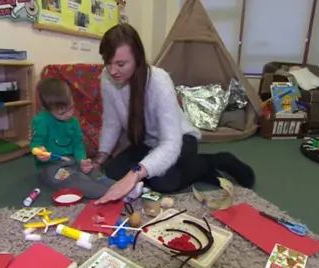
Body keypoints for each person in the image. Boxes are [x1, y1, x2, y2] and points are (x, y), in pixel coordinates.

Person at [93, 23, 255, 205]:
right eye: (108, 63)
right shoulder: (106, 79)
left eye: (120, 64)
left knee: (163, 181)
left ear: (138, 58)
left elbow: (170, 143)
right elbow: (111, 122)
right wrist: (100, 158)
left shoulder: (159, 81)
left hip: (180, 139)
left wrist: (135, 173)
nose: (112, 70)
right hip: (147, 142)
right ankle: (155, 168)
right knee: (112, 171)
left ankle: (211, 162)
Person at [30, 77, 143, 200]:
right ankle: (117, 194)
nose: (69, 114)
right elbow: (36, 144)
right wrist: (39, 151)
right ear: (47, 110)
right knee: (76, 180)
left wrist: (82, 160)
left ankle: (126, 188)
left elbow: (78, 144)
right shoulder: (41, 121)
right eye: (62, 113)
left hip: (73, 161)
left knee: (95, 173)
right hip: (52, 166)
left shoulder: (73, 122)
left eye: (71, 108)